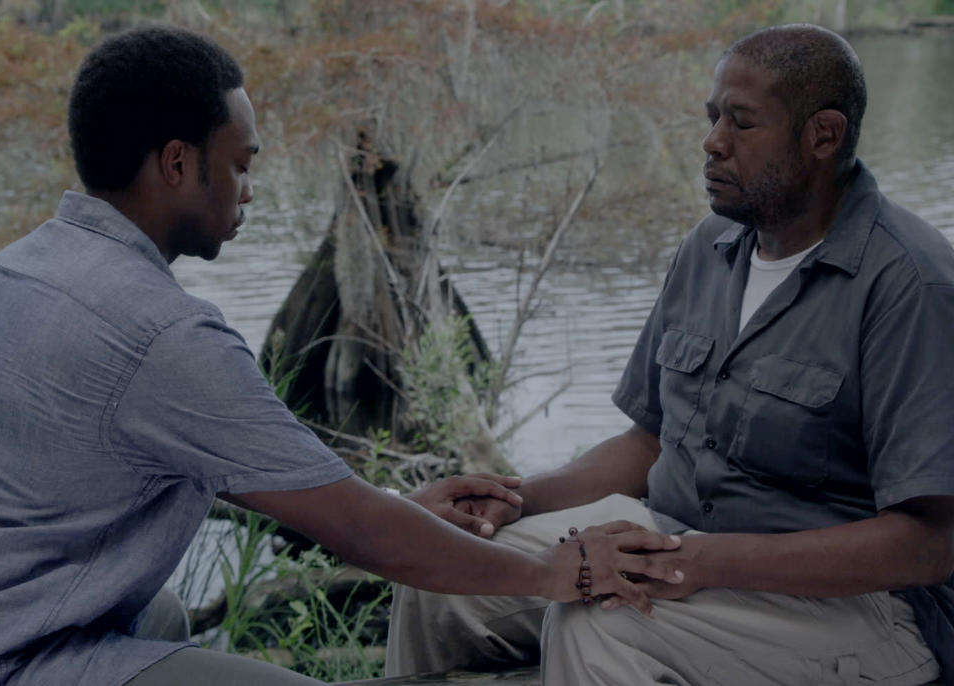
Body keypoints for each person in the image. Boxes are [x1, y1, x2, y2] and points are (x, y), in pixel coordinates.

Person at [0, 26, 686, 686]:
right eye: (239, 165)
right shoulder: (163, 335)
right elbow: (357, 530)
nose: (250, 191)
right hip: (26, 651)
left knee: (165, 616)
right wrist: (552, 573)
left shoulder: (21, 269)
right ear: (177, 163)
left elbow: (292, 488)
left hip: (36, 611)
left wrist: (396, 506)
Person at [387, 23, 954, 685]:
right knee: (443, 571)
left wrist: (700, 561)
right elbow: (650, 443)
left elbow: (929, 543)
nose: (712, 143)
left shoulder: (910, 286)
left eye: (741, 123)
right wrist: (519, 500)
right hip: (670, 534)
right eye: (713, 117)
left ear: (822, 136)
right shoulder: (710, 248)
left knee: (606, 622)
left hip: (863, 609)